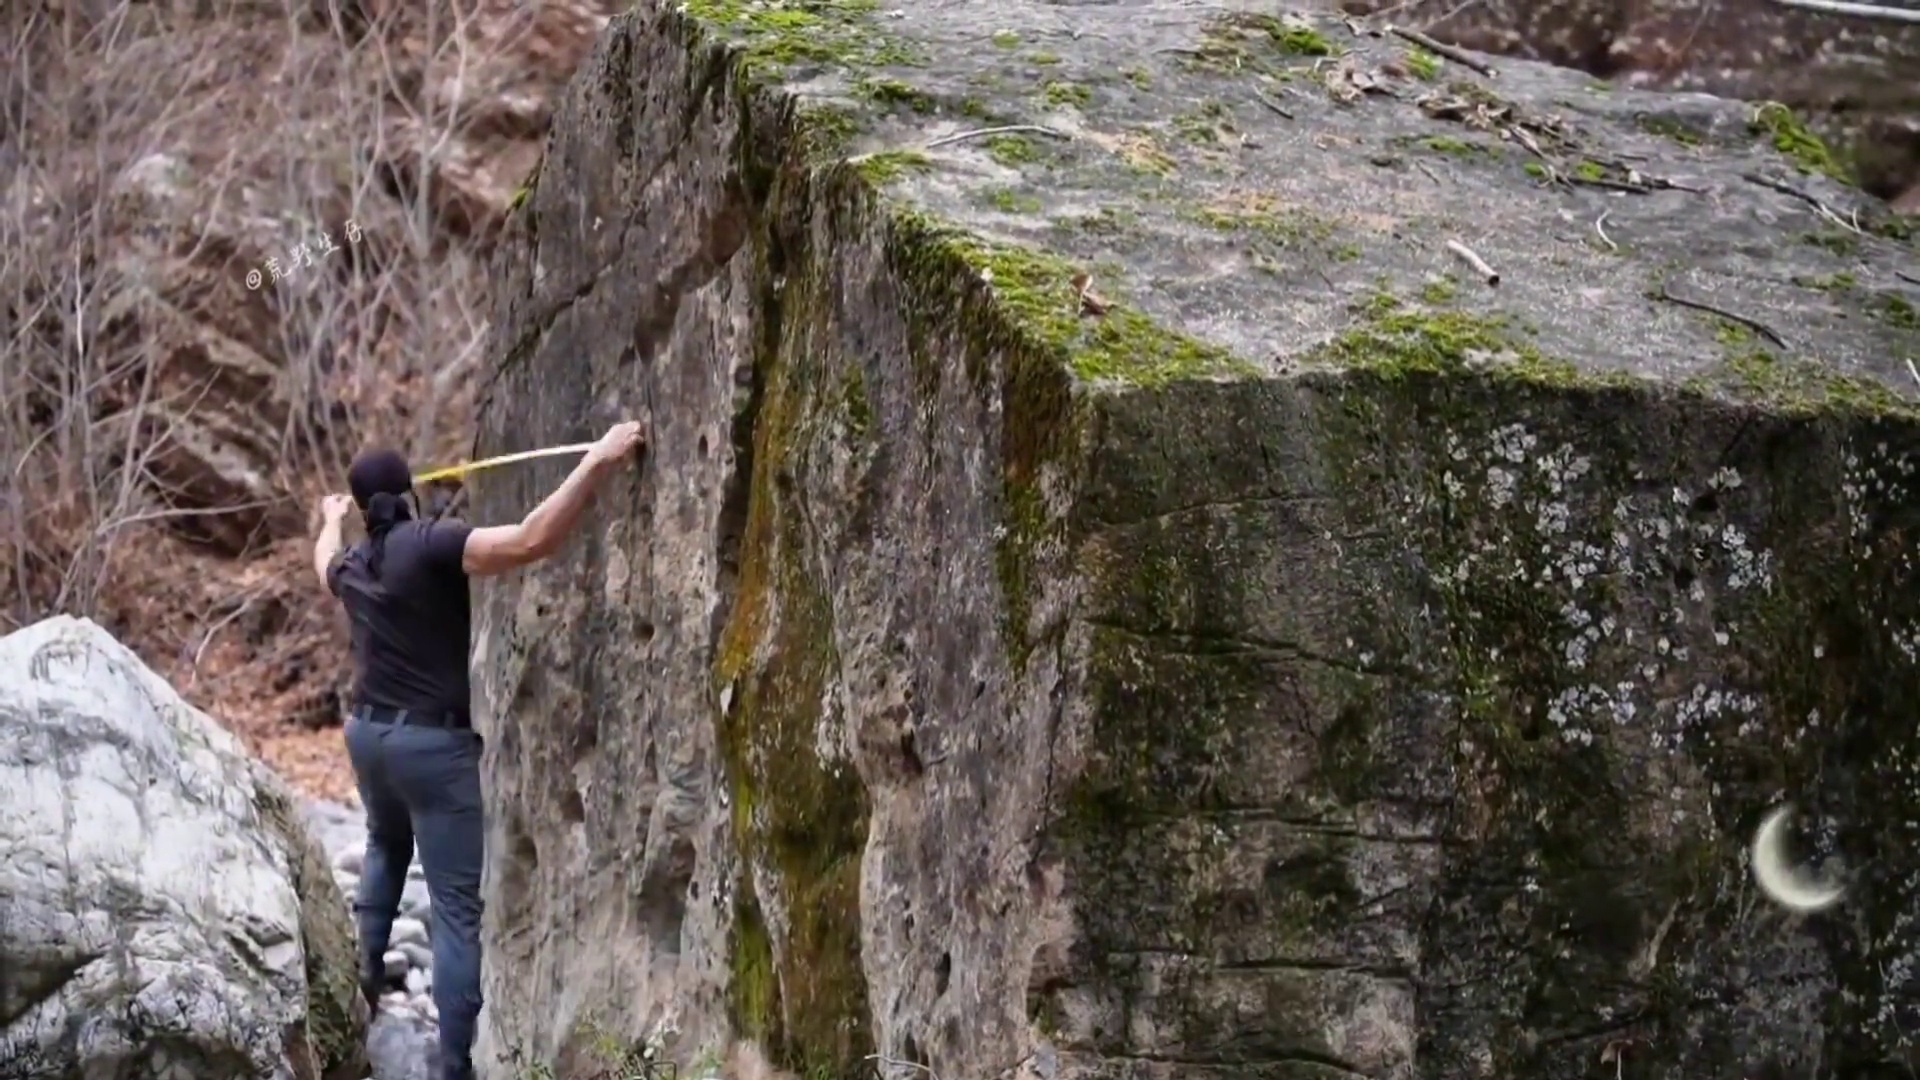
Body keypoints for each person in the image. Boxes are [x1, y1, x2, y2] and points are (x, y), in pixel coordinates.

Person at [312, 421, 645, 1080]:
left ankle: (360, 1001)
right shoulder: (434, 543)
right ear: (408, 492)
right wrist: (599, 462)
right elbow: (530, 540)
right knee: (456, 909)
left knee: (384, 846)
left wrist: (329, 517)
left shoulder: (354, 564)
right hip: (431, 746)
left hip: (368, 737)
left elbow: (320, 558)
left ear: (361, 507)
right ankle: (454, 1068)